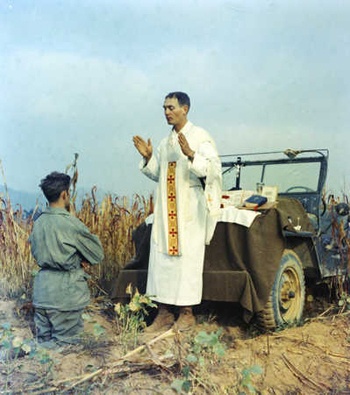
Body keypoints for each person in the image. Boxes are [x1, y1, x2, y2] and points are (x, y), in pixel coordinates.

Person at [133, 91, 221, 332]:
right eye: (164, 108)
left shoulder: (200, 137)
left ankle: (187, 314)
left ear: (185, 109)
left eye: (171, 107)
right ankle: (163, 314)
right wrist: (149, 156)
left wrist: (192, 155)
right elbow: (156, 173)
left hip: (189, 210)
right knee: (162, 260)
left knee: (186, 263)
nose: (166, 112)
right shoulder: (164, 143)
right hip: (165, 211)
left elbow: (213, 170)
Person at [29, 172, 104, 348]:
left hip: (42, 295)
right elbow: (97, 254)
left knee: (43, 345)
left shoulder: (38, 222)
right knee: (66, 349)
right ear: (64, 194)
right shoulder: (71, 223)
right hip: (65, 297)